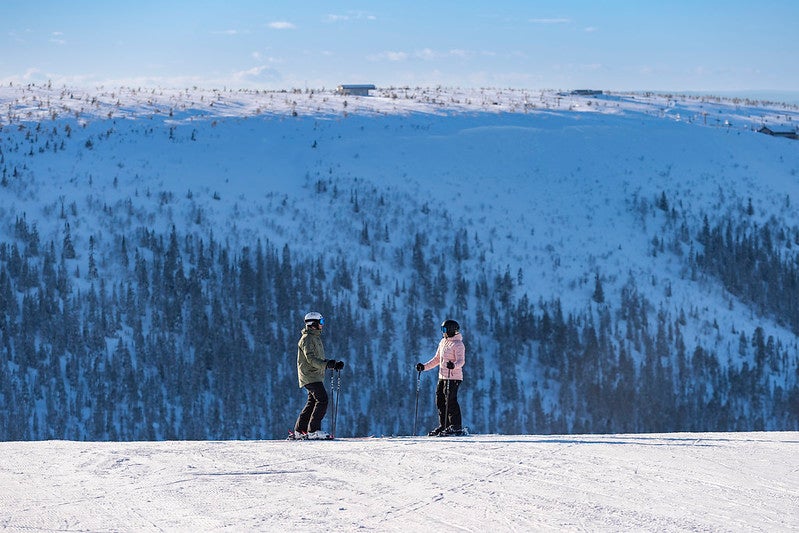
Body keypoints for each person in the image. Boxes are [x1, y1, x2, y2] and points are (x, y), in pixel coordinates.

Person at [293, 311, 344, 440]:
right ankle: (313, 430)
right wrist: (327, 365)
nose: (323, 325)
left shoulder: (314, 338)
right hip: (310, 375)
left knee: (312, 401)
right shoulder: (307, 339)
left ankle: (300, 430)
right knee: (322, 400)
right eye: (321, 322)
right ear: (313, 323)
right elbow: (311, 359)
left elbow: (317, 359)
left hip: (313, 375)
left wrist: (332, 364)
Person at [416, 319, 466, 436]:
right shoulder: (443, 342)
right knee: (440, 401)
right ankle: (444, 425)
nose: (443, 332)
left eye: (444, 330)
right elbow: (437, 359)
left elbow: (461, 361)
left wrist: (453, 365)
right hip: (442, 376)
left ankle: (455, 426)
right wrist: (424, 367)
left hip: (453, 377)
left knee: (450, 400)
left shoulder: (458, 344)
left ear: (451, 330)